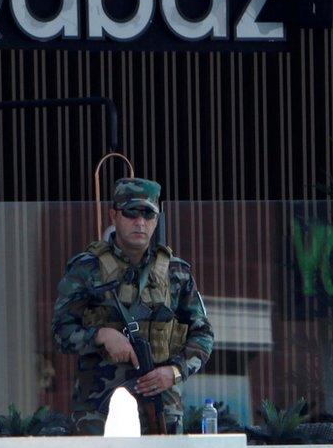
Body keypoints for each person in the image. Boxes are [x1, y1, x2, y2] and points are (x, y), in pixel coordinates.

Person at [51, 177, 215, 433]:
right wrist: (101, 336)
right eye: (131, 213)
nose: (140, 222)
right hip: (99, 405)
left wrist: (174, 372)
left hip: (161, 403)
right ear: (114, 216)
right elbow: (60, 331)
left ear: (157, 219)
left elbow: (203, 335)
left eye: (148, 214)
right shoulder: (86, 269)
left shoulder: (176, 272)